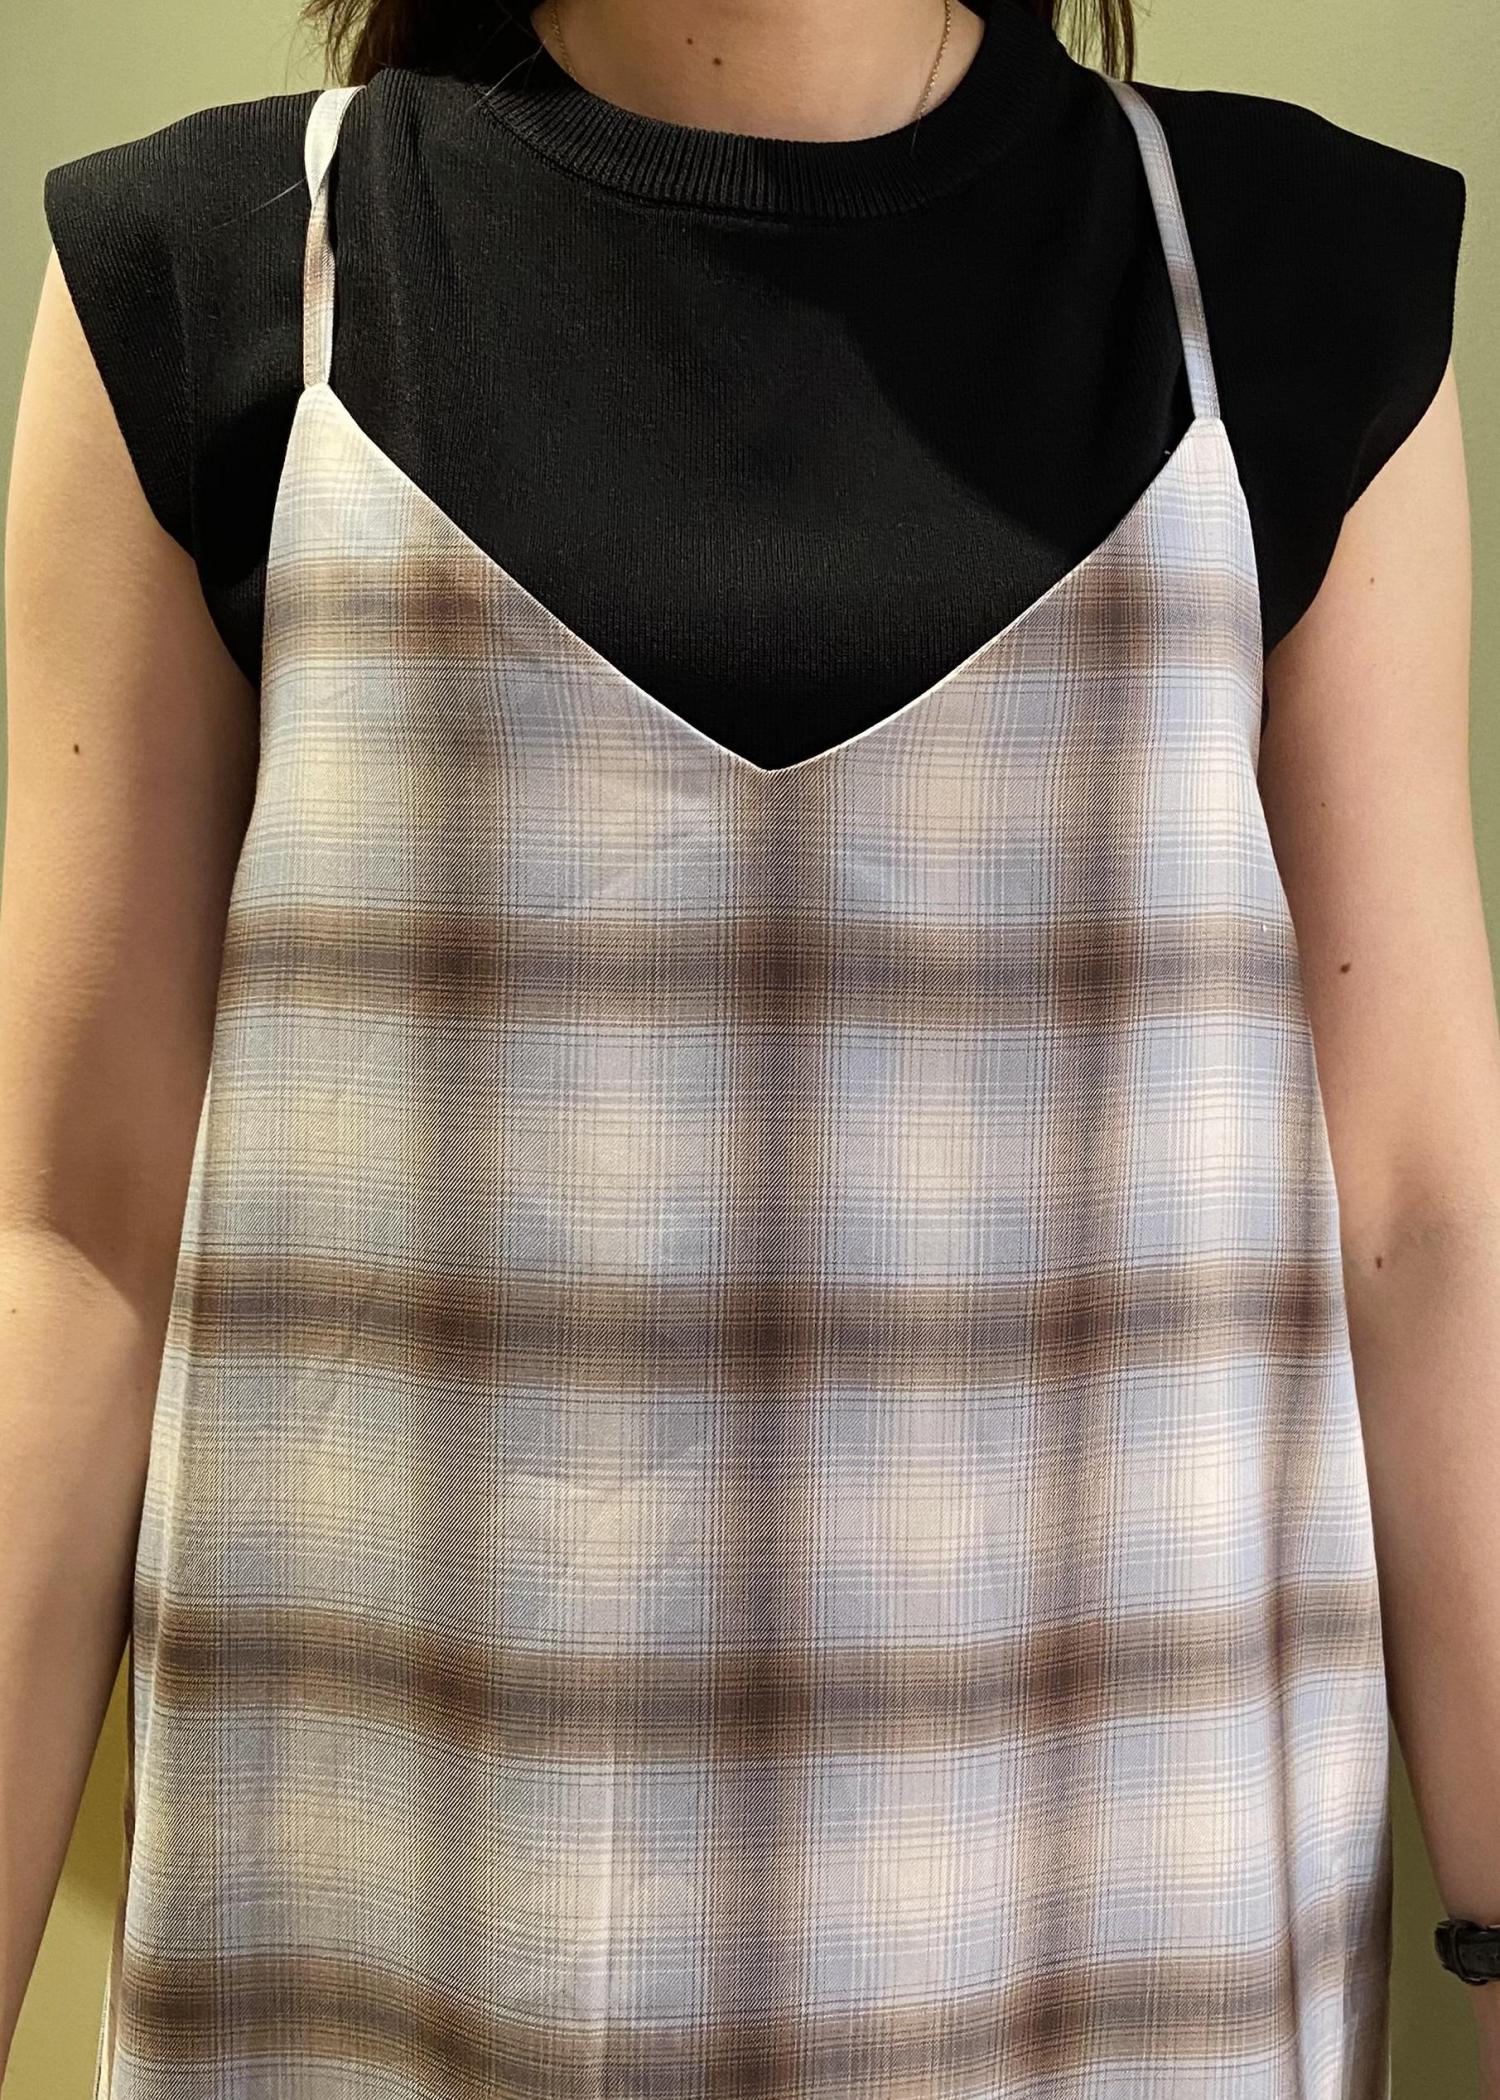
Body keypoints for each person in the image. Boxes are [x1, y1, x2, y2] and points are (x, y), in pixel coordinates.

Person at [2, 0, 1492, 2092]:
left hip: (1142, 1967)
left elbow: (1421, 1220)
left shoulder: (1297, 293)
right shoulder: (207, 287)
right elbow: (70, 1244)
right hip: (395, 1962)